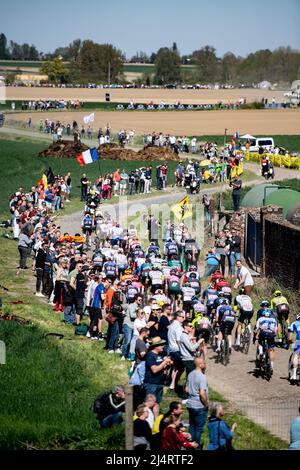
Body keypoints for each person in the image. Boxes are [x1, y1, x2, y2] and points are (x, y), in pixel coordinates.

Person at [186, 356, 209, 449]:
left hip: (190, 404)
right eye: (204, 363)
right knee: (198, 429)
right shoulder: (202, 377)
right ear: (200, 365)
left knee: (192, 427)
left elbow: (186, 389)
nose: (205, 364)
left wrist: (193, 391)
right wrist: (206, 404)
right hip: (199, 406)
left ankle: (190, 445)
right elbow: (202, 394)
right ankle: (197, 447)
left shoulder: (190, 374)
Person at [144, 336, 173, 404]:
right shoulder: (150, 355)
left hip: (160, 383)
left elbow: (162, 367)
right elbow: (154, 370)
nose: (163, 346)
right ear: (156, 346)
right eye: (161, 345)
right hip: (151, 384)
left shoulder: (160, 355)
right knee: (150, 404)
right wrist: (165, 362)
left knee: (157, 404)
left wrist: (168, 365)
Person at [288, 313, 300, 383]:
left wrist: (290, 342)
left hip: (298, 341)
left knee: (295, 355)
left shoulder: (294, 323)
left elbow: (290, 337)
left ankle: (294, 375)